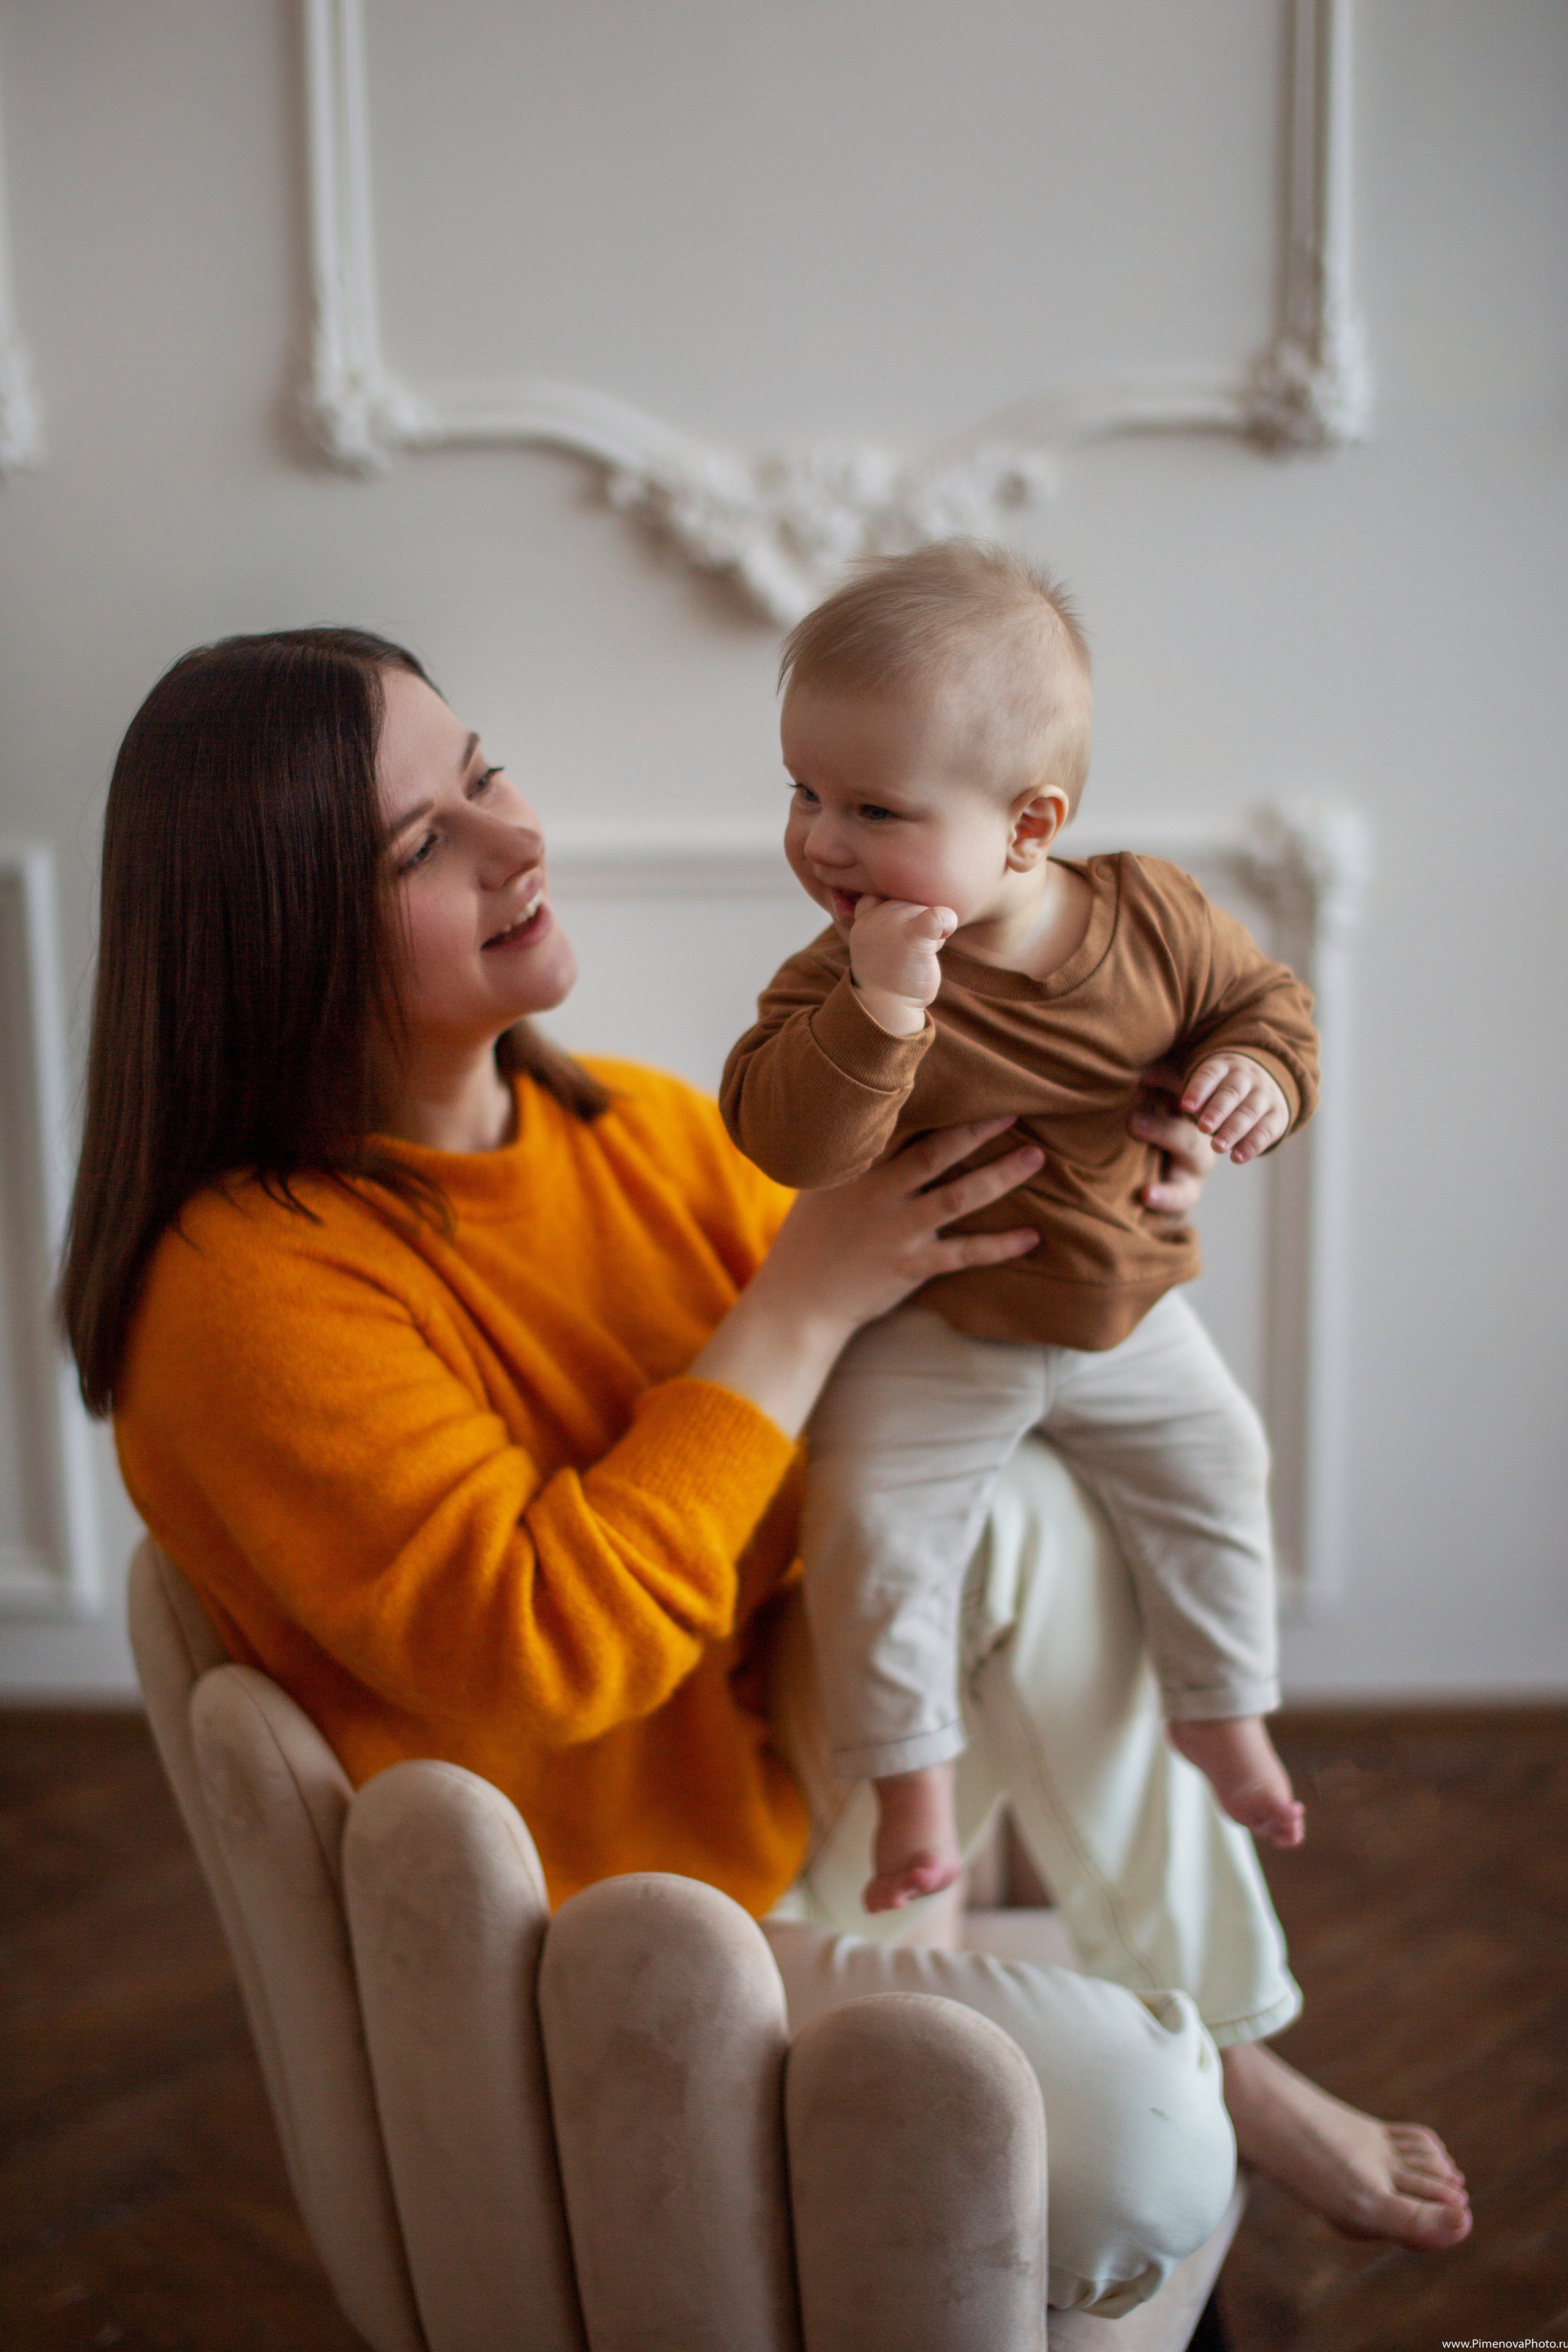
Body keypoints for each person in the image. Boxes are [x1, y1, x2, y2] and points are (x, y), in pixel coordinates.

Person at [59, 627, 1470, 2317]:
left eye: (486, 771)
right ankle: (1191, 2080)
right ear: (280, 940)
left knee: (1020, 1502)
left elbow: (915, 1398)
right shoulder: (243, 1293)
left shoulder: (634, 1134)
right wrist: (801, 1300)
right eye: (424, 844)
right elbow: (547, 1649)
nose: (519, 840)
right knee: (1150, 2156)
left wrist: (1118, 1183)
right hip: (604, 1949)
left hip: (775, 1794)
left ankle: (1232, 2037)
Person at [722, 540, 1310, 1914]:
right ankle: (912, 1796)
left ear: (1027, 828)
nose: (819, 840)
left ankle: (1221, 1709)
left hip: (1122, 1309)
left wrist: (1258, 1084)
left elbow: (1264, 1010)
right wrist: (875, 1011)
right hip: (938, 1327)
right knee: (872, 1530)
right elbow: (780, 1137)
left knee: (1220, 1463)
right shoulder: (837, 975)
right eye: (802, 794)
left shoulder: (1151, 919)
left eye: (872, 809)